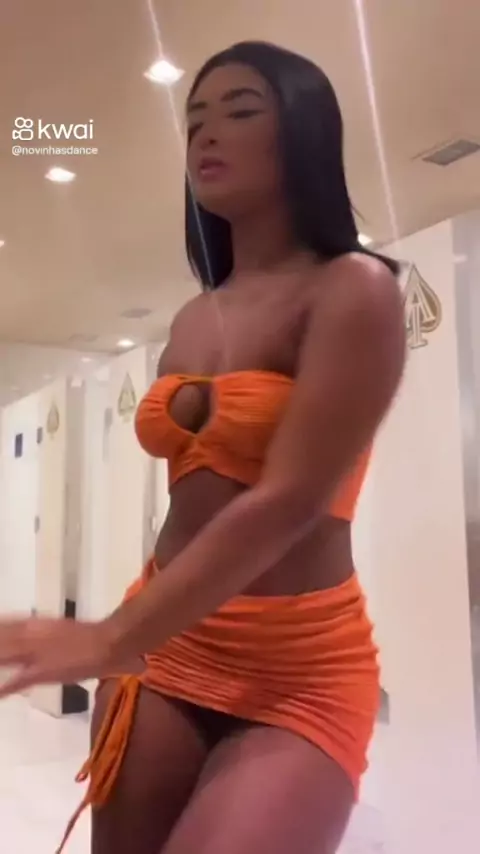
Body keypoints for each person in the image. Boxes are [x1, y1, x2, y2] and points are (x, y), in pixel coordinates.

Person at [0, 41, 405, 854]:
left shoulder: (354, 289)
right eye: (194, 122)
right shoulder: (191, 319)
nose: (206, 134)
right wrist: (134, 635)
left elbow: (291, 500)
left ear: (303, 133)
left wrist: (113, 636)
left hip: (299, 667)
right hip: (170, 644)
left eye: (240, 111)